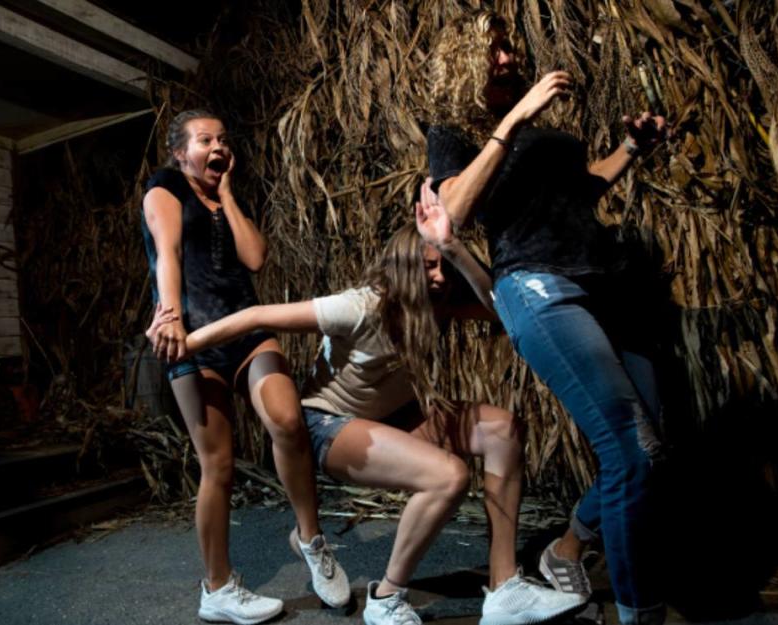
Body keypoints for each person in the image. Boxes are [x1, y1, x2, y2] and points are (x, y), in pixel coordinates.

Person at [148, 182, 586, 625]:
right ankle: (387, 598)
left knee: (504, 430)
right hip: (331, 426)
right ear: (401, 267)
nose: (438, 277)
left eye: (443, 268)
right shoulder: (358, 307)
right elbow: (256, 316)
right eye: (429, 266)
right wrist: (188, 342)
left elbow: (503, 308)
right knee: (447, 476)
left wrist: (454, 250)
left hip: (397, 415)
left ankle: (504, 586)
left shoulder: (438, 303)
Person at [425, 10, 669, 625]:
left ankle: (568, 548)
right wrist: (513, 120)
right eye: (494, 51)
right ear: (463, 60)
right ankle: (642, 613)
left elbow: (580, 193)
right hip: (538, 289)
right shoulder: (453, 132)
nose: (508, 59)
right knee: (629, 453)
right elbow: (452, 210)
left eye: (508, 49)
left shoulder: (541, 136)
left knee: (652, 449)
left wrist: (631, 149)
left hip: (604, 286)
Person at [141, 109, 349, 624]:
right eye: (205, 139)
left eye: (223, 138)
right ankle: (217, 588)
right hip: (194, 339)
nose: (218, 146)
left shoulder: (224, 198)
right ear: (179, 152)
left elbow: (256, 258)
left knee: (286, 419)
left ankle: (311, 539)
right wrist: (168, 317)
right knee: (219, 465)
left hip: (247, 332)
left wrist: (228, 196)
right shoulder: (164, 188)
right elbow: (166, 254)